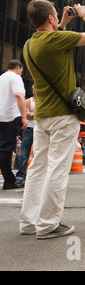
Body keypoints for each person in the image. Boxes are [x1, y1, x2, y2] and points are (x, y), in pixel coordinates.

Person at [20, 0, 85, 239]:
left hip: (43, 117)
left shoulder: (29, 45)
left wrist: (64, 22)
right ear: (50, 18)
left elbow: (52, 40)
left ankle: (29, 222)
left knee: (37, 169)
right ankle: (47, 224)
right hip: (63, 116)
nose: (58, 17)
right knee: (57, 168)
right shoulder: (56, 40)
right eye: (56, 15)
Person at [0, 59, 27, 190]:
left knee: (5, 149)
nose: (21, 72)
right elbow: (19, 95)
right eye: (21, 70)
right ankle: (9, 180)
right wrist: (24, 116)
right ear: (18, 68)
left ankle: (9, 180)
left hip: (1, 116)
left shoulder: (2, 77)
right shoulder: (15, 78)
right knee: (5, 149)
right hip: (9, 116)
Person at [16, 84, 37, 186]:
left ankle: (35, 177)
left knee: (38, 155)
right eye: (34, 88)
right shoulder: (29, 101)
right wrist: (35, 114)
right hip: (28, 130)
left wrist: (32, 114)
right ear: (32, 90)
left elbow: (31, 114)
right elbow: (26, 114)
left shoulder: (44, 102)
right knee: (25, 155)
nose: (35, 90)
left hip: (39, 131)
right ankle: (21, 176)